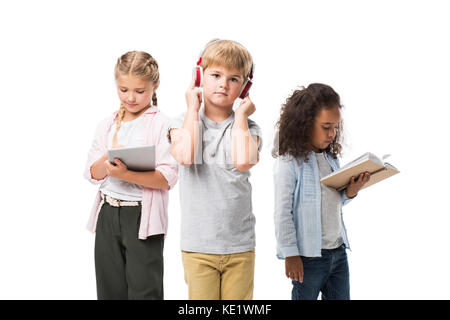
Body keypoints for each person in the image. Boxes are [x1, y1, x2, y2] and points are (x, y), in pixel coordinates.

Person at [168, 39, 262, 300]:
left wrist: (241, 116)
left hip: (240, 246)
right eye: (216, 75)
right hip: (199, 247)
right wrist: (192, 108)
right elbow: (185, 156)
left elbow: (244, 160)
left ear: (245, 87)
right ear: (200, 77)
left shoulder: (249, 128)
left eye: (234, 79)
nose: (223, 83)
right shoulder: (181, 122)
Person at [84, 51, 178, 300]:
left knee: (145, 290)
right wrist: (109, 159)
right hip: (108, 214)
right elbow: (92, 172)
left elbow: (168, 178)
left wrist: (127, 174)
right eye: (123, 90)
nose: (131, 98)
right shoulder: (107, 124)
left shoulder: (163, 124)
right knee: (109, 290)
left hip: (140, 217)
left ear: (155, 85)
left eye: (139, 90)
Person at [273, 83, 370, 300]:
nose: (332, 134)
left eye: (335, 127)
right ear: (305, 124)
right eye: (326, 127)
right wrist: (290, 254)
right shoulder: (290, 163)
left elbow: (330, 201)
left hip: (338, 252)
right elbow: (282, 213)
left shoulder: (330, 158)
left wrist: (350, 192)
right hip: (308, 258)